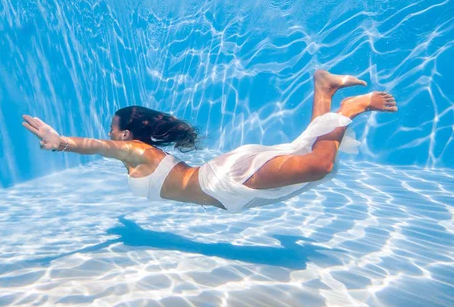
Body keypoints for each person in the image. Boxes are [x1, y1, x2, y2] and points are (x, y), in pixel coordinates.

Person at [22, 70, 397, 212]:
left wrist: (61, 142)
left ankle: (349, 108)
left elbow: (99, 147)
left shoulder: (136, 151)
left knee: (317, 166)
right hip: (223, 183)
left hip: (222, 181)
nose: (108, 136)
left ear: (125, 134)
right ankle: (324, 89)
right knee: (306, 157)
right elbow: (107, 150)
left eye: (112, 129)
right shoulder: (142, 154)